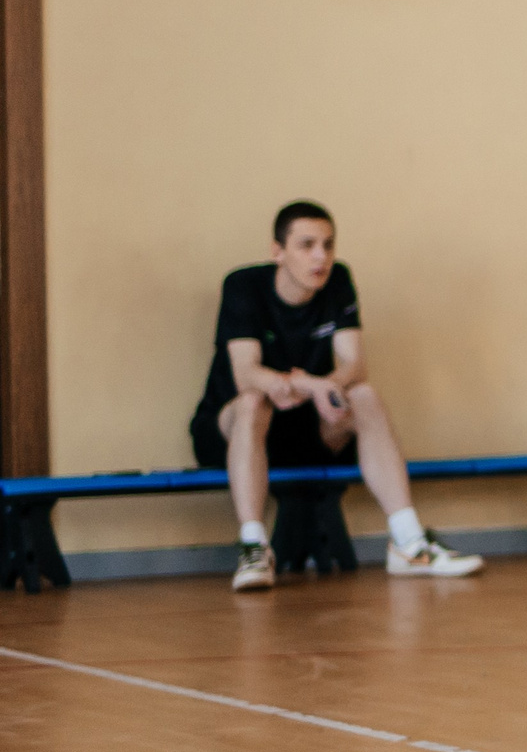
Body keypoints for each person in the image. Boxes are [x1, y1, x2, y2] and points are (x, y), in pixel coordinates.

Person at [191, 201, 486, 591]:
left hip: (309, 430)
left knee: (363, 395)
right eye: (307, 244)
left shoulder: (338, 281)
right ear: (277, 252)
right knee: (253, 403)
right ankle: (253, 547)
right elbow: (248, 375)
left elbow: (354, 365)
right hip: (236, 432)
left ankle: (409, 542)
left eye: (328, 245)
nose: (321, 256)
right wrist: (315, 385)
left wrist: (319, 387)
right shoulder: (243, 287)